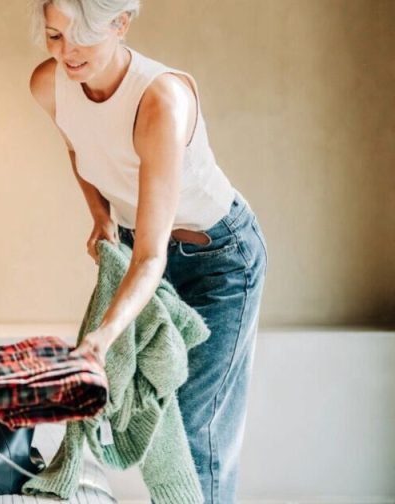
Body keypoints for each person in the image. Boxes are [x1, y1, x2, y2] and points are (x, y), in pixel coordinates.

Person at [27, 1, 269, 502]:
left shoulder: (159, 101)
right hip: (146, 247)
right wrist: (100, 215)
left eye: (83, 35)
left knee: (193, 425)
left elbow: (150, 257)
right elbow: (77, 145)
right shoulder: (49, 84)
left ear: (121, 23)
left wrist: (104, 335)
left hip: (219, 262)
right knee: (159, 416)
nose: (67, 52)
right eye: (55, 36)